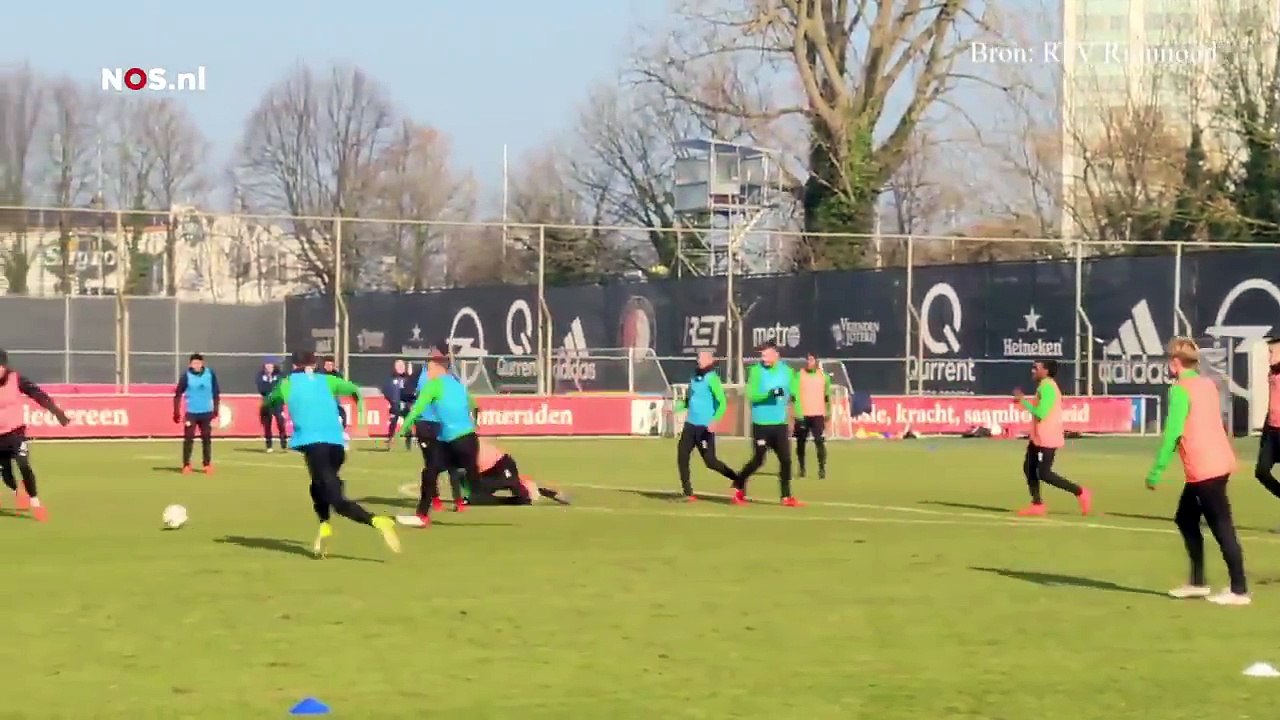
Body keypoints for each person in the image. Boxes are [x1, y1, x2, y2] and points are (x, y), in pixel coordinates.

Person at [262, 350, 400, 556]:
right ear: (314, 363)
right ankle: (324, 525)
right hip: (337, 447)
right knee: (318, 486)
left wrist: (265, 409)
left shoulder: (287, 383)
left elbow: (270, 400)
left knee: (336, 500)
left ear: (294, 365)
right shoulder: (327, 380)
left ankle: (377, 521)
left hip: (315, 446)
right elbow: (354, 389)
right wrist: (361, 419)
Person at [1146, 337, 1249, 605]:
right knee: (1185, 518)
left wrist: (1156, 471)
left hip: (1204, 468)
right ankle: (1198, 582)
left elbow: (1173, 433)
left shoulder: (1180, 390)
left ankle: (1239, 590)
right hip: (1218, 462)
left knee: (1222, 526)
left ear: (1175, 363)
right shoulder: (1207, 385)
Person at [402, 351, 481, 526]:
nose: (427, 372)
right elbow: (474, 405)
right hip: (467, 440)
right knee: (435, 471)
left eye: (430, 368)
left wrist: (403, 429)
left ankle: (423, 514)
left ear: (439, 368)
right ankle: (424, 513)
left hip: (453, 440)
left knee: (433, 471)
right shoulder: (457, 385)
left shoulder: (433, 385)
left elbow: (416, 409)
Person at [1012, 359, 1092, 516]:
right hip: (1038, 437)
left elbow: (1041, 413)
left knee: (1044, 473)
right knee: (1029, 467)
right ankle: (1037, 504)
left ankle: (1080, 492)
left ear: (1046, 371)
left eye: (1036, 368)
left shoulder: (1048, 387)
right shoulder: (1043, 386)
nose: (1032, 370)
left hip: (1047, 438)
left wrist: (1024, 402)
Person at [0, 349, 71, 522]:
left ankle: (35, 502)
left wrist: (56, 411)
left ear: (4, 366)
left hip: (15, 431)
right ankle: (16, 491)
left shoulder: (16, 379)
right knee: (7, 473)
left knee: (23, 463)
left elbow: (37, 394)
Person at [733, 341, 803, 507]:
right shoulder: (756, 371)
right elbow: (752, 395)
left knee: (786, 460)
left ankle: (786, 496)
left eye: (766, 354)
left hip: (779, 424)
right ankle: (739, 483)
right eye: (762, 354)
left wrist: (799, 416)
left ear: (776, 355)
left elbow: (795, 394)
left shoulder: (787, 372)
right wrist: (769, 394)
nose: (763, 357)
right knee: (758, 460)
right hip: (761, 424)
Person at [674, 350, 738, 501]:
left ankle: (737, 479)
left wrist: (715, 420)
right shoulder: (694, 377)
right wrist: (675, 408)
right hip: (690, 424)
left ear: (710, 360)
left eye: (702, 358)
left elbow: (722, 403)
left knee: (710, 461)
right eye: (698, 358)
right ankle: (688, 493)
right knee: (682, 455)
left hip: (704, 427)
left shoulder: (712, 379)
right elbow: (689, 400)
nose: (699, 360)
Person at [413, 345, 466, 511]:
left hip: (442, 424)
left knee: (451, 463)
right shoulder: (424, 377)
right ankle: (436, 498)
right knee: (433, 464)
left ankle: (457, 500)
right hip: (426, 425)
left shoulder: (448, 377)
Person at [466, 438, 570, 506]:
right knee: (478, 495)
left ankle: (545, 492)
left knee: (518, 491)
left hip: (501, 463)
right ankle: (518, 496)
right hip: (486, 471)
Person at [173, 353, 220, 474]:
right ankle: (186, 464)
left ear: (202, 363)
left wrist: (215, 411)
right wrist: (176, 412)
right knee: (188, 438)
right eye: (194, 363)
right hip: (191, 413)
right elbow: (178, 394)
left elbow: (216, 393)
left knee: (206, 438)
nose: (196, 365)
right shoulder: (186, 376)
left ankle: (207, 464)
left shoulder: (210, 374)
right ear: (190, 364)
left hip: (207, 412)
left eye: (198, 363)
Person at [791, 353, 831, 479]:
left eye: (811, 360)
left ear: (816, 361)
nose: (808, 362)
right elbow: (794, 395)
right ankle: (802, 468)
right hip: (802, 415)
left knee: (819, 441)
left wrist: (828, 412)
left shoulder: (824, 377)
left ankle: (822, 469)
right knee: (801, 442)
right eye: (807, 360)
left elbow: (827, 396)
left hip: (818, 414)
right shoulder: (799, 375)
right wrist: (796, 412)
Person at [1255, 338, 1280, 503]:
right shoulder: (1272, 373)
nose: (1269, 357)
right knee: (1261, 471)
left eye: (1272, 352)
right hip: (1271, 430)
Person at [381, 359, 416, 451]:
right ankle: (390, 440)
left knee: (408, 423)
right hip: (395, 405)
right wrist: (392, 401)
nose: (400, 368)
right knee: (393, 422)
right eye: (398, 366)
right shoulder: (392, 380)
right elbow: (386, 391)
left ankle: (408, 441)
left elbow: (412, 392)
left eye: (402, 366)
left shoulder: (407, 379)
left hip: (406, 404)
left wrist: (410, 402)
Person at [256, 358, 287, 452]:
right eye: (267, 366)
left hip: (278, 402)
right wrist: (268, 383)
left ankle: (283, 443)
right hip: (267, 403)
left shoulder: (280, 375)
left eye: (271, 366)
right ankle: (269, 445)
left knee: (280, 422)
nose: (269, 368)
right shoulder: (260, 376)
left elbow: (282, 387)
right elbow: (261, 389)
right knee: (267, 424)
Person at [320, 356, 348, 433]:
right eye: (327, 365)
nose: (329, 367)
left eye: (331, 365)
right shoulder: (320, 375)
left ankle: (340, 429)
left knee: (340, 413)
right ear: (324, 365)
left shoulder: (337, 375)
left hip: (334, 398)